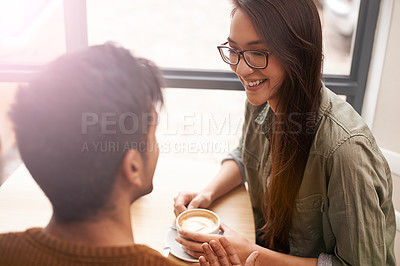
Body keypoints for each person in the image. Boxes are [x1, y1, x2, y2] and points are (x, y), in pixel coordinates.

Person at [173, 0, 396, 265]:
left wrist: (251, 253)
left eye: (258, 53)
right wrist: (207, 194)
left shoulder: (345, 150)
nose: (241, 69)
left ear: (298, 52)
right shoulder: (262, 99)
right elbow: (246, 155)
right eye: (234, 50)